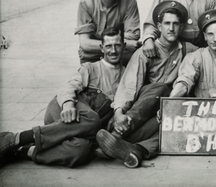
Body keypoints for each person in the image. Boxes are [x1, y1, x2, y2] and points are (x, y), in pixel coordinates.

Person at [0, 27, 126, 167]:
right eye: (109, 46)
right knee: (92, 118)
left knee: (80, 150)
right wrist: (67, 104)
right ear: (102, 48)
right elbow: (69, 86)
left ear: (124, 46)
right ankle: (16, 138)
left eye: (117, 45)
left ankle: (22, 151)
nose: (113, 51)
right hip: (63, 111)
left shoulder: (128, 76)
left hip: (81, 129)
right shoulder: (91, 68)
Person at [95, 1, 198, 168]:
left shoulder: (189, 50)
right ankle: (119, 131)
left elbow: (209, 54)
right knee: (160, 87)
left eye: (176, 24)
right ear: (159, 26)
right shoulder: (146, 51)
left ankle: (135, 150)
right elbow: (130, 84)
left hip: (165, 112)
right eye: (167, 23)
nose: (171, 28)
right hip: (144, 109)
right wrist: (119, 112)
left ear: (181, 26)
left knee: (173, 127)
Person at [75, 0, 141, 65]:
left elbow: (133, 36)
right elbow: (85, 44)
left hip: (118, 57)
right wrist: (124, 43)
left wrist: (97, 41)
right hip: (92, 58)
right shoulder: (87, 4)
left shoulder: (128, 2)